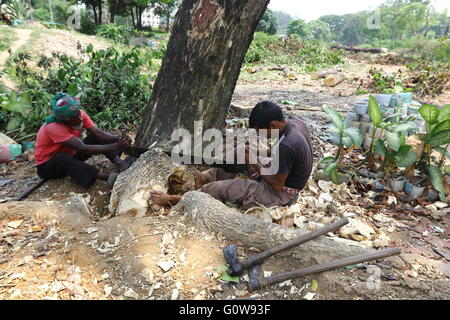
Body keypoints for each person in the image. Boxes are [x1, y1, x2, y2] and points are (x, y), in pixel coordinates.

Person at [150, 101, 313, 210]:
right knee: (241, 149)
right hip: (277, 171)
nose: (262, 135)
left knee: (232, 187)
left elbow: (277, 185)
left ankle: (175, 199)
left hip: (280, 193)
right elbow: (284, 155)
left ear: (273, 124)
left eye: (261, 131)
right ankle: (209, 177)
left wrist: (255, 164)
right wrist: (257, 152)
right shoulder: (293, 122)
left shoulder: (287, 146)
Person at [34, 92, 131, 189]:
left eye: (78, 112)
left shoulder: (79, 114)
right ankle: (107, 177)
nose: (80, 116)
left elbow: (99, 134)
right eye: (76, 115)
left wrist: (119, 138)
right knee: (60, 158)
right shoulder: (53, 127)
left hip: (70, 156)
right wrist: (117, 146)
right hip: (48, 167)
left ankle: (118, 162)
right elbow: (83, 148)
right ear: (67, 119)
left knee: (93, 137)